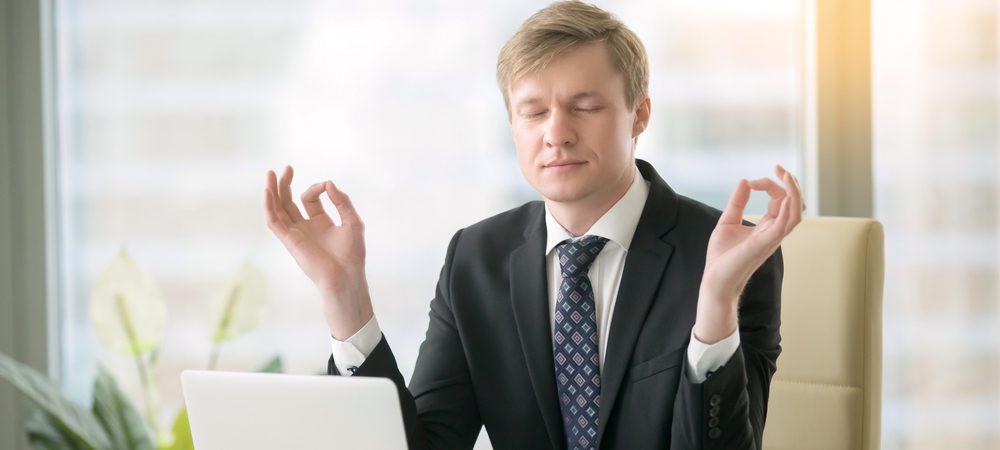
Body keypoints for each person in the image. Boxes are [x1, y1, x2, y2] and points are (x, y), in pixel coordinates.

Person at [263, 1, 804, 449]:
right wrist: (345, 297)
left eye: (584, 106)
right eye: (533, 112)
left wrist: (713, 307)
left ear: (639, 114)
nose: (557, 134)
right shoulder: (476, 260)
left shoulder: (723, 259)